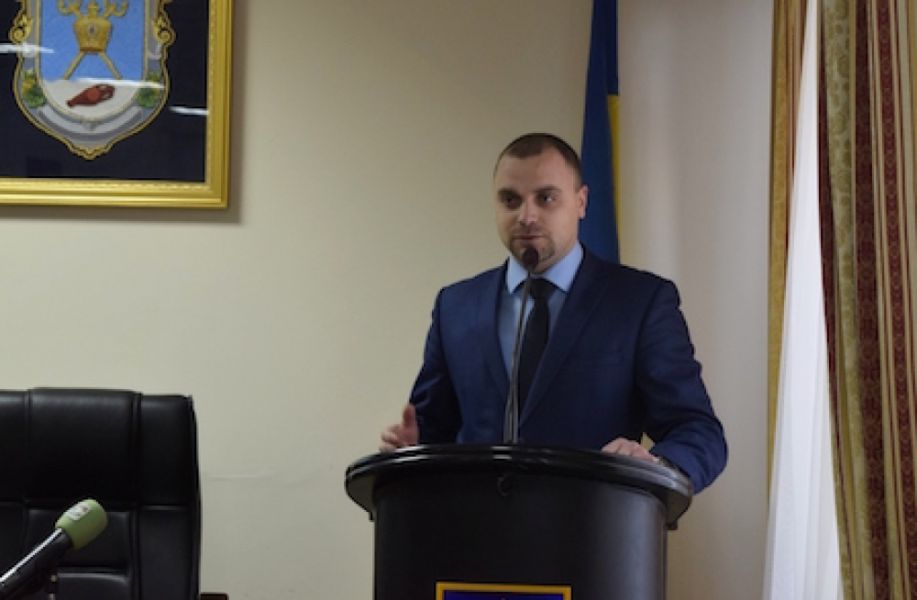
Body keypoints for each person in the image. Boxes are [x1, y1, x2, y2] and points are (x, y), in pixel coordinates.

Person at [380, 133, 726, 493]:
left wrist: (653, 467)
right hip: (474, 523)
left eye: (546, 198)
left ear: (581, 202)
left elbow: (698, 432)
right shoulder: (455, 306)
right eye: (510, 200)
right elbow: (434, 429)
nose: (526, 216)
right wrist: (413, 446)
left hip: (596, 520)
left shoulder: (639, 302)